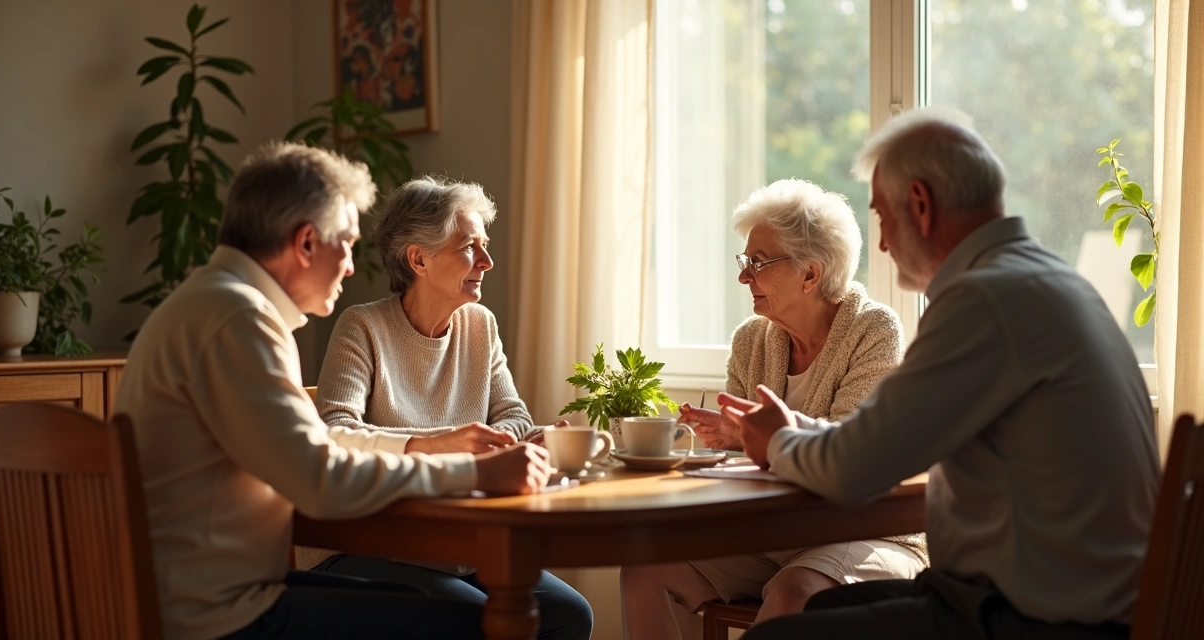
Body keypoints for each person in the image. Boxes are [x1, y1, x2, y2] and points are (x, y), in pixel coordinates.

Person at [721, 107, 1160, 640]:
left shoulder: (984, 301)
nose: (881, 243)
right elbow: (883, 436)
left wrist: (778, 443)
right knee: (807, 608)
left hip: (1037, 620)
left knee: (780, 631)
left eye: (882, 216)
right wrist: (794, 429)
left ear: (921, 205)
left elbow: (858, 470)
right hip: (1067, 603)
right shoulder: (1047, 283)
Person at [114, 143, 553, 640]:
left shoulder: (211, 303)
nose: (349, 265)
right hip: (216, 616)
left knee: (440, 607)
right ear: (305, 243)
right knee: (473, 626)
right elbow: (318, 478)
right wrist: (468, 469)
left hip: (211, 594)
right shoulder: (239, 319)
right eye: (344, 242)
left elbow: (313, 456)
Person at [620, 179, 927, 639]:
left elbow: (851, 449)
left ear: (810, 274)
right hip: (776, 536)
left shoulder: (873, 329)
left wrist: (751, 438)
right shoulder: (750, 340)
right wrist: (728, 441)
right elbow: (740, 463)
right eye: (745, 262)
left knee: (792, 591)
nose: (744, 277)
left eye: (758, 263)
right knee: (645, 570)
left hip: (867, 532)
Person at [306, 176, 594, 640]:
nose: (488, 261)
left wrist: (524, 438)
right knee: (478, 620)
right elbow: (335, 430)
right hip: (366, 544)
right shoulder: (362, 327)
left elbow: (512, 415)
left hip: (457, 546)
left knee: (569, 614)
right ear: (418, 258)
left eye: (485, 245)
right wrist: (447, 444)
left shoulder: (479, 325)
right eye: (469, 247)